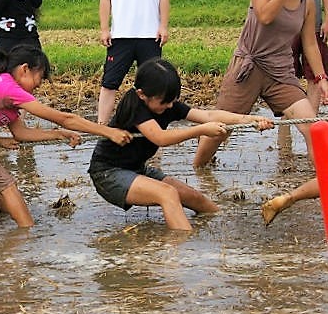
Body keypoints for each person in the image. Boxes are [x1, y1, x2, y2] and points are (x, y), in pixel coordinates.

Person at [0, 44, 133, 228]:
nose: (39, 85)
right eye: (39, 77)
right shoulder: (10, 89)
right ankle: (27, 231)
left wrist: (58, 134)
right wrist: (108, 131)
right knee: (6, 183)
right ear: (24, 70)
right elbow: (66, 118)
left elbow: (21, 133)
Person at [88, 58, 274, 231]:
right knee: (167, 194)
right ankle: (184, 252)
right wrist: (200, 130)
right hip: (108, 172)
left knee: (197, 199)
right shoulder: (135, 106)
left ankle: (220, 229)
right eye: (164, 102)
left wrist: (249, 119)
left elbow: (208, 115)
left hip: (136, 169)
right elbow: (160, 138)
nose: (169, 107)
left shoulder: (166, 103)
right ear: (141, 94)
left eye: (172, 101)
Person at [193, 0, 328, 168]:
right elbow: (265, 16)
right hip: (249, 67)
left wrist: (321, 78)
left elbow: (310, 44)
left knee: (312, 128)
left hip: (280, 74)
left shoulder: (308, 2)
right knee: (220, 129)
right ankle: (198, 171)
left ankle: (322, 183)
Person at [96, 0, 177, 125]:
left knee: (154, 84)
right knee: (109, 83)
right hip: (120, 36)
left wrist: (163, 26)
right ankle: (101, 126)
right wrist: (104, 29)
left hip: (151, 36)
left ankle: (156, 130)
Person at [292, 0, 328, 112]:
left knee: (315, 74)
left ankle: (312, 122)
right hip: (288, 25)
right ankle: (284, 129)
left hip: (314, 24)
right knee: (287, 72)